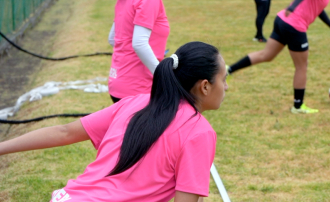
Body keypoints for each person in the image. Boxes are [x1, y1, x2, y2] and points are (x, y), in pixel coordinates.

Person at [0, 41, 228, 202]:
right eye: (223, 79)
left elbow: (64, 132)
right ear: (205, 86)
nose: (226, 87)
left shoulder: (136, 102)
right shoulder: (199, 133)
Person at [107, 0, 170, 103]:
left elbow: (113, 38)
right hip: (138, 90)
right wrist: (164, 77)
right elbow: (139, 43)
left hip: (118, 85)